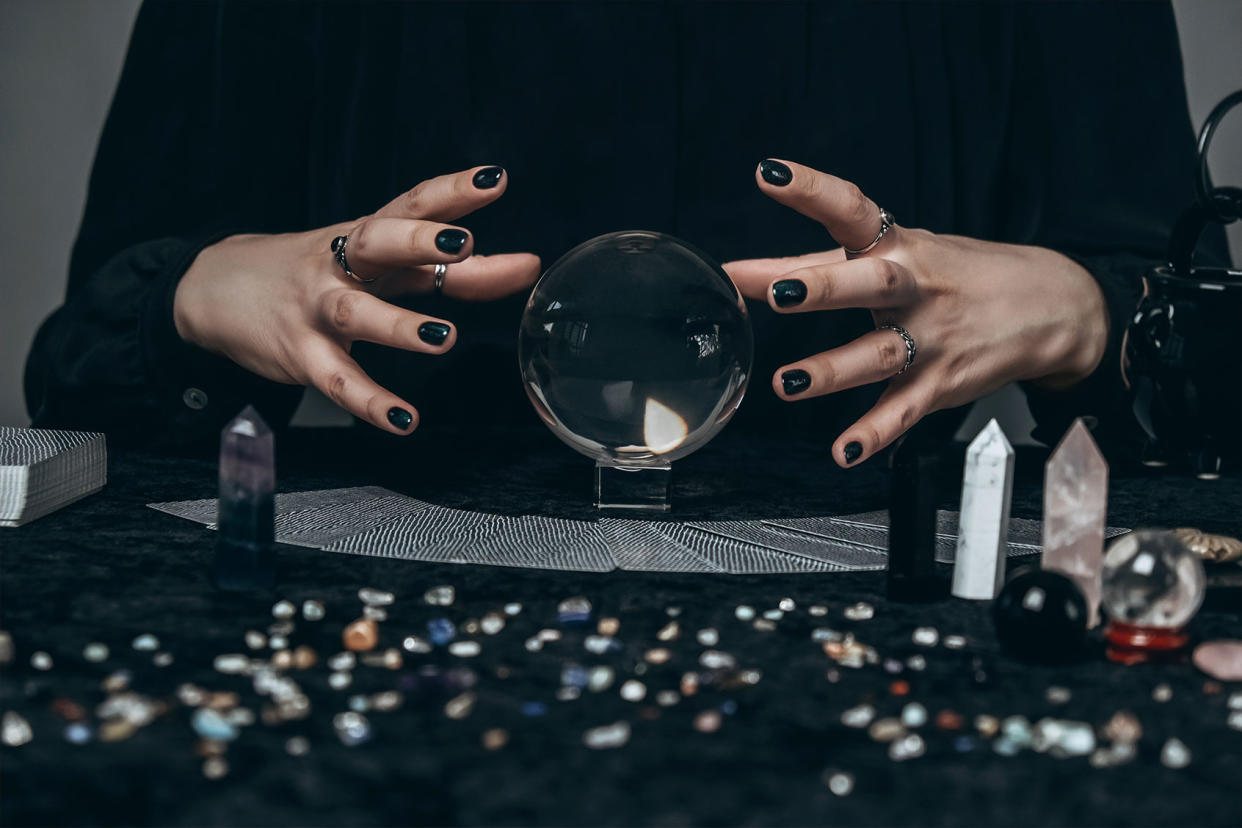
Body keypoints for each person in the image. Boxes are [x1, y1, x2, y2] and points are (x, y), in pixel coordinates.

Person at [24, 0, 1228, 463]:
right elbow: (89, 386)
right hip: (387, 598)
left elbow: (1208, 401)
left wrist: (1089, 316)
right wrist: (201, 292)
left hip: (907, 598)